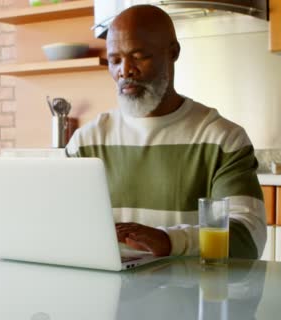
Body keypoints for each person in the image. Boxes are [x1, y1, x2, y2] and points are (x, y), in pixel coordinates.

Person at [65, 5, 266, 258]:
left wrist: (169, 241)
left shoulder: (222, 140)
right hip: (107, 295)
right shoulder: (85, 143)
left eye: (139, 56)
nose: (125, 70)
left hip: (192, 294)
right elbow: (63, 228)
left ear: (173, 52)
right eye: (115, 60)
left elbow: (248, 237)